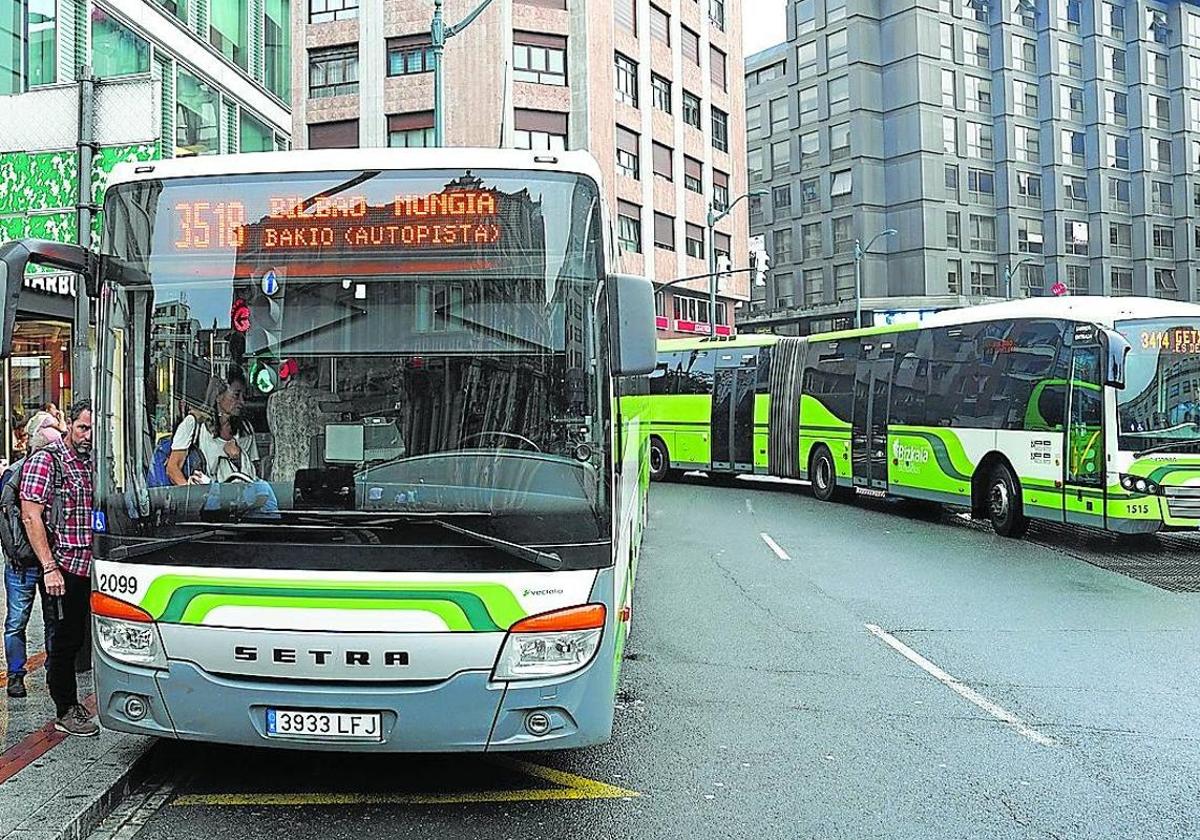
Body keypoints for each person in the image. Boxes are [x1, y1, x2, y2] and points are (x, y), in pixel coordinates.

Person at [19, 400, 97, 736]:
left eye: (93, 429)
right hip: (64, 566)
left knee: (80, 636)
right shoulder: (47, 460)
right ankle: (65, 708)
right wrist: (49, 567)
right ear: (69, 425)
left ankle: (73, 704)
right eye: (82, 428)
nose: (88, 435)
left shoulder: (92, 462)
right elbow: (30, 514)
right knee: (65, 640)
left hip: (94, 565)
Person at [2, 429, 57, 698]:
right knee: (28, 620)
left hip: (22, 561)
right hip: (27, 562)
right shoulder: (19, 474)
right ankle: (20, 673)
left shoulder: (10, 473)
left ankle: (20, 675)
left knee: (19, 621)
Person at [166, 368, 261, 486]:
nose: (241, 402)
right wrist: (191, 496)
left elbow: (255, 472)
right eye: (236, 395)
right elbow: (173, 469)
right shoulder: (194, 424)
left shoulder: (245, 430)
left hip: (237, 499)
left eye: (244, 396)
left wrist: (238, 458)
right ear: (218, 396)